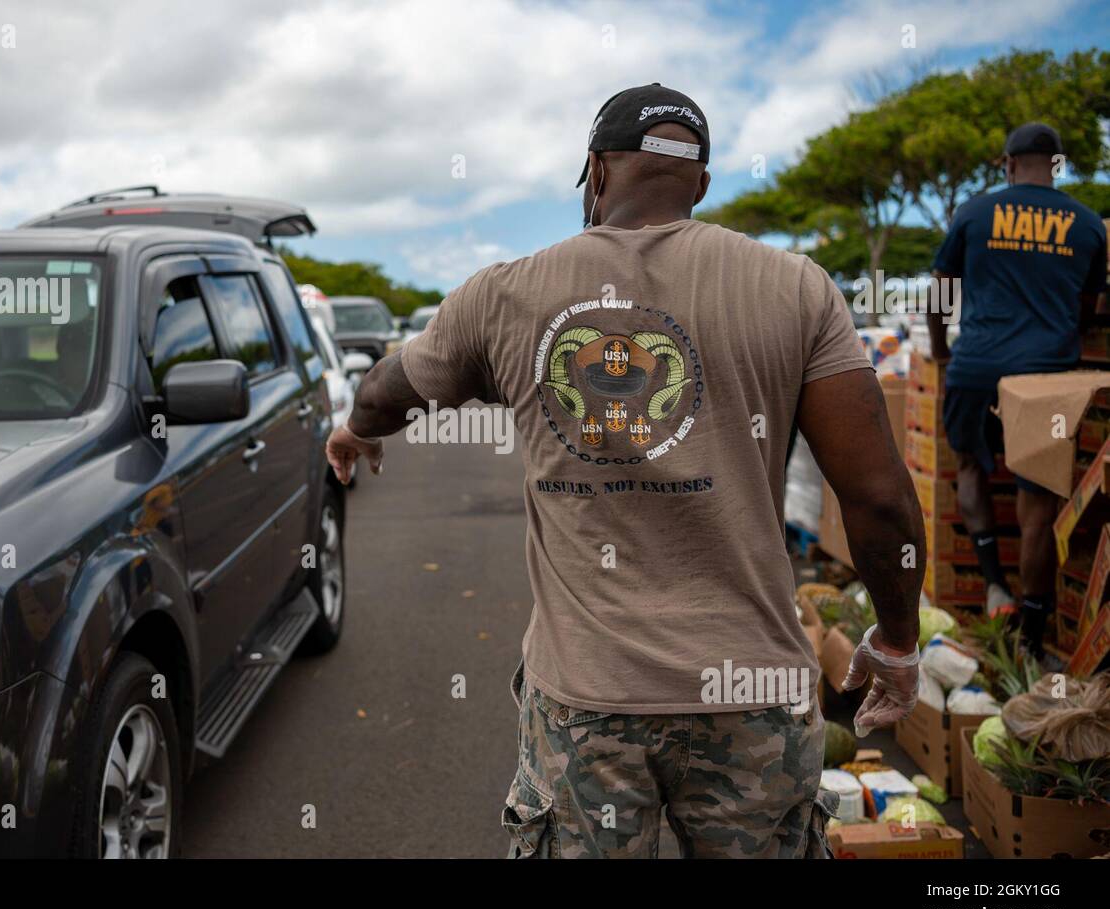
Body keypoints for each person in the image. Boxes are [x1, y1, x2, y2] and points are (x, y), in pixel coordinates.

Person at [326, 84, 923, 858]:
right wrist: (900, 641)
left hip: (588, 700)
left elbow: (388, 389)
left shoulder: (506, 292)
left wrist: (355, 430)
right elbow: (878, 497)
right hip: (754, 693)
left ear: (595, 172)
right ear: (699, 184)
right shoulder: (795, 288)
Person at [928, 122, 1108, 655]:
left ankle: (992, 585)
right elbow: (1088, 309)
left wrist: (941, 351)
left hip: (977, 365)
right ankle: (1031, 636)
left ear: (1007, 163)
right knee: (1038, 502)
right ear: (1058, 164)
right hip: (1047, 376)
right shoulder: (1088, 225)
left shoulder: (975, 213)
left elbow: (941, 289)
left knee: (968, 466)